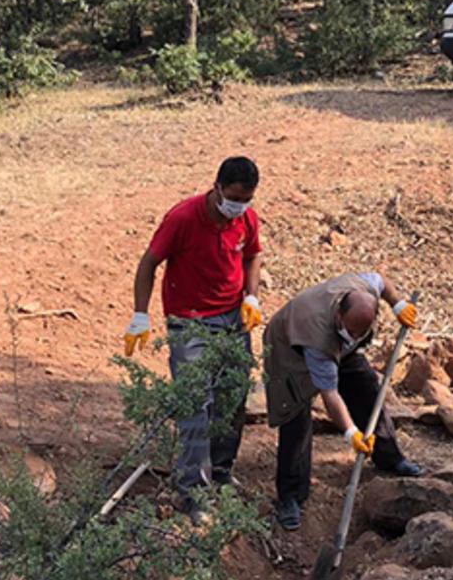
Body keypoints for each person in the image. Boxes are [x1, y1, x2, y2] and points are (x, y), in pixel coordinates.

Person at [126, 156, 263, 524]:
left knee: (232, 399)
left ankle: (220, 473)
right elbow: (148, 263)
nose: (239, 206)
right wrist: (140, 315)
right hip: (190, 323)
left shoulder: (246, 219)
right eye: (234, 198)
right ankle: (192, 491)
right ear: (217, 187)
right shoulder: (183, 218)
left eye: (246, 199)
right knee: (195, 405)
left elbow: (253, 256)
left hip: (233, 318)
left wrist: (251, 298)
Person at [264, 272, 425, 531]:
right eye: (351, 330)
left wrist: (398, 305)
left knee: (366, 388)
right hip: (290, 350)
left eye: (361, 332)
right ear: (339, 315)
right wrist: (351, 433)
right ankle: (291, 496)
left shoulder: (364, 289)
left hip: (338, 348)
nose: (356, 335)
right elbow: (330, 394)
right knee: (295, 417)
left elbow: (382, 282)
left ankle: (389, 457)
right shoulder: (317, 338)